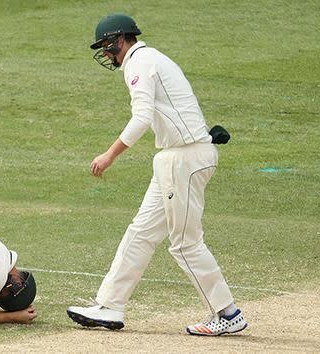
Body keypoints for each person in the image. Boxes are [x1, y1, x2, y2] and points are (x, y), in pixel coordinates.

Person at [66, 13, 247, 336]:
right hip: (174, 159)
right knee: (141, 233)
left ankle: (227, 312)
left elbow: (141, 117)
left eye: (107, 45)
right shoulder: (148, 59)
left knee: (184, 244)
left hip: (186, 159)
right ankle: (110, 306)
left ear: (121, 39)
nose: (106, 53)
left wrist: (109, 155)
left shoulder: (139, 62)